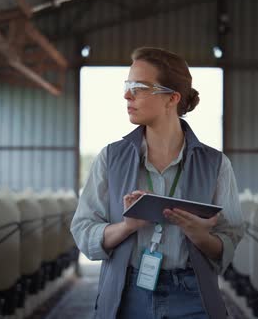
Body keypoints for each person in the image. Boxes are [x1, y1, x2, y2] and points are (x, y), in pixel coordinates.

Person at [71, 47, 243, 319]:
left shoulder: (215, 164)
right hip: (125, 296)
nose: (127, 95)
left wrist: (200, 236)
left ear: (171, 98)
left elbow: (231, 238)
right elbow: (83, 230)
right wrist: (128, 226)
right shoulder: (110, 158)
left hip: (193, 297)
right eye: (127, 86)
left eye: (138, 87)